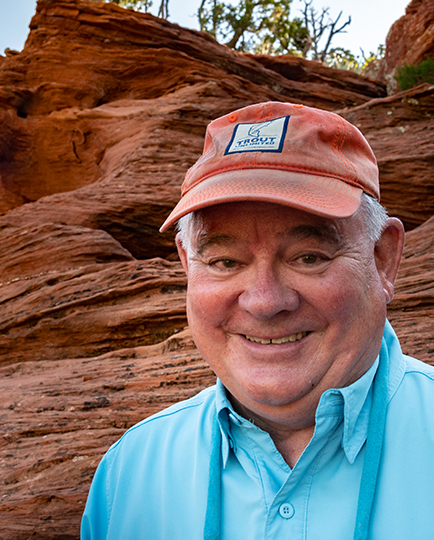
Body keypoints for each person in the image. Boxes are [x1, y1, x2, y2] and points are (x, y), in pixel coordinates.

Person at [81, 102, 434, 540]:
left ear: (383, 260)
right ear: (187, 264)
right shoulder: (128, 475)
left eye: (309, 257)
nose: (265, 302)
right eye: (226, 261)